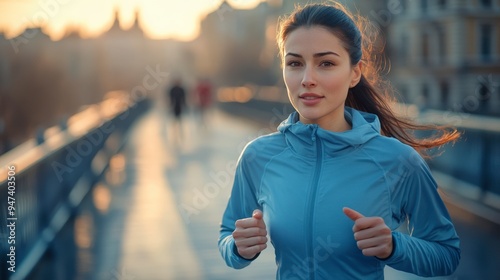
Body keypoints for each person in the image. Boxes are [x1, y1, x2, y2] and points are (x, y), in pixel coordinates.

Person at [218, 3, 461, 279]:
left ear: (354, 72)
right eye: (295, 63)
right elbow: (227, 237)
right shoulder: (257, 156)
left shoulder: (398, 161)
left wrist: (395, 246)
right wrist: (238, 247)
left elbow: (447, 254)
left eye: (326, 63)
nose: (308, 79)